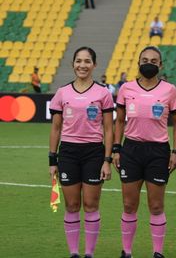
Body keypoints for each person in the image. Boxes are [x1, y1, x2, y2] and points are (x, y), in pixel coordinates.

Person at [113, 46, 176, 258]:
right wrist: (116, 149)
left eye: (153, 60)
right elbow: (120, 121)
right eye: (145, 59)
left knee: (156, 204)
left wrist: (175, 151)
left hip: (158, 151)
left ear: (160, 65)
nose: (149, 63)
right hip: (131, 149)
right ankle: (127, 251)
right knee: (129, 204)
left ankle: (158, 252)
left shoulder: (169, 90)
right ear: (138, 63)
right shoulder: (126, 89)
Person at [49, 47, 114, 258]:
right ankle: (74, 253)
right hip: (68, 152)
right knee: (72, 204)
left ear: (94, 65)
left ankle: (89, 253)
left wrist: (107, 160)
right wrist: (52, 160)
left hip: (93, 153)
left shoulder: (103, 93)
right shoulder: (62, 92)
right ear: (73, 64)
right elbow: (56, 129)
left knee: (91, 204)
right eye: (78, 61)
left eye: (87, 61)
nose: (82, 65)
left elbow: (108, 129)